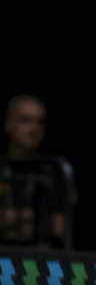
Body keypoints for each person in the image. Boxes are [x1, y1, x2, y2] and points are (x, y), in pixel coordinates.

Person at [1, 94, 74, 248]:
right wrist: (29, 218)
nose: (34, 128)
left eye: (39, 122)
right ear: (8, 124)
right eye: (25, 120)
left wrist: (12, 219)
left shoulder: (56, 170)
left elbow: (59, 227)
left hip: (38, 257)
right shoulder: (2, 167)